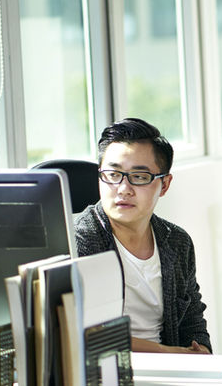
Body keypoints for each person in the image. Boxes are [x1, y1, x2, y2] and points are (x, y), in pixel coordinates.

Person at [75, 117, 211, 354]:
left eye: (139, 177)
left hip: (171, 372)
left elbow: (193, 321)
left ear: (165, 185)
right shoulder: (80, 242)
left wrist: (203, 353)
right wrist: (170, 354)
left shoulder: (177, 242)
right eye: (113, 175)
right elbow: (91, 335)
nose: (123, 189)